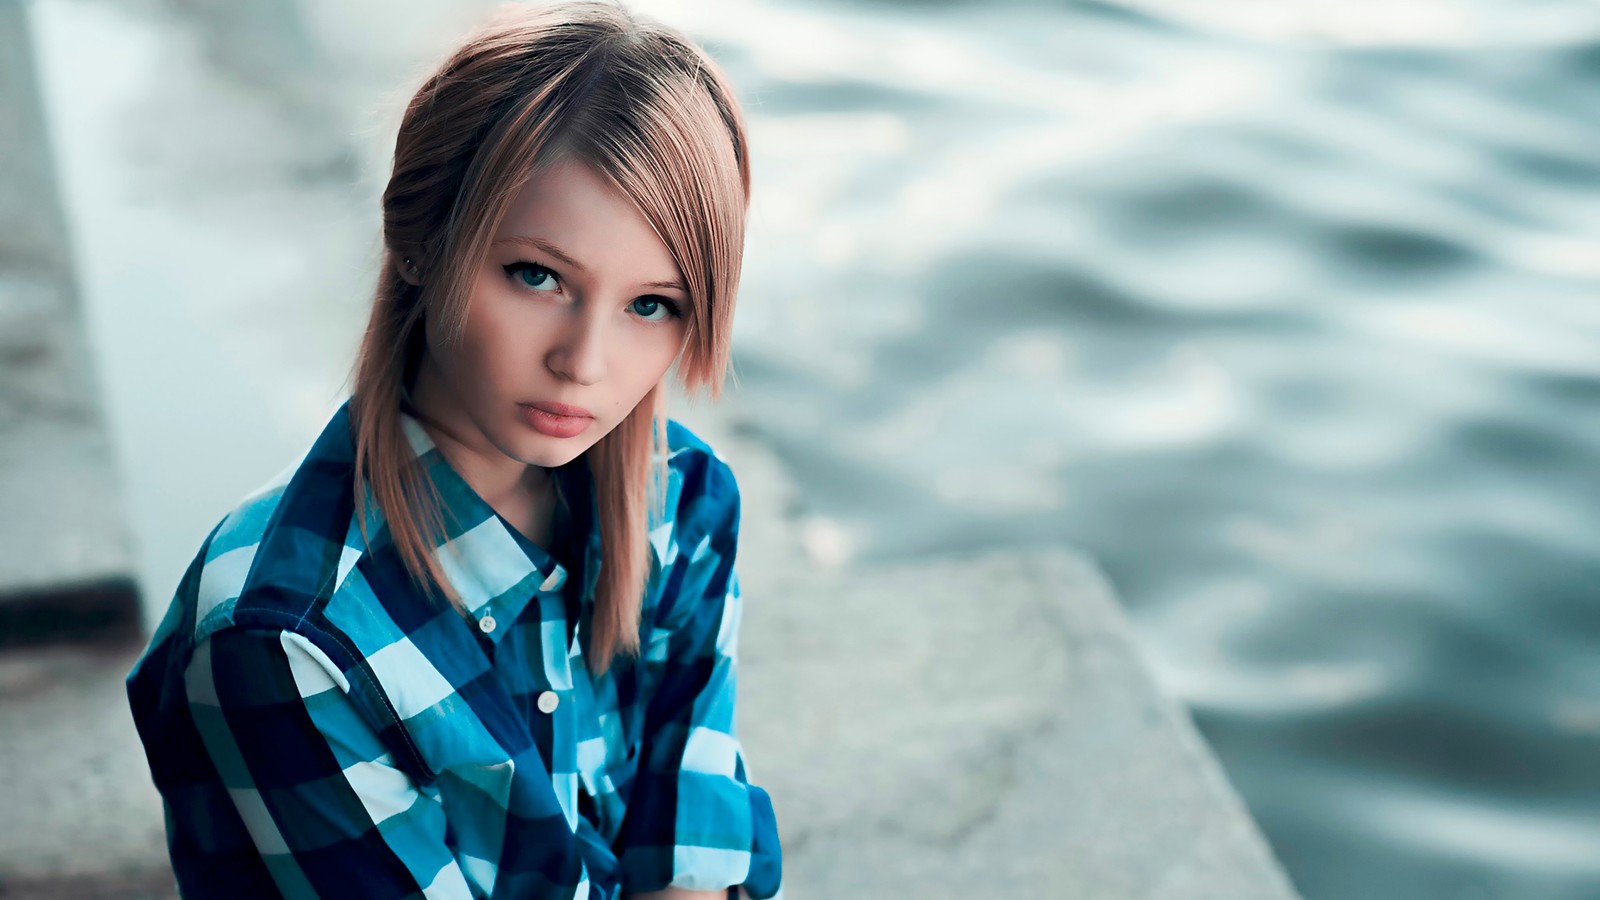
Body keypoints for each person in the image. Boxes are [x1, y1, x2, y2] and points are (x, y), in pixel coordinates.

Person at [123, 2, 782, 897]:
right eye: (537, 276)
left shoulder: (684, 501)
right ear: (421, 239)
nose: (584, 364)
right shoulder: (286, 638)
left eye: (650, 304)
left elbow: (692, 846)